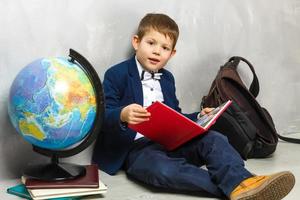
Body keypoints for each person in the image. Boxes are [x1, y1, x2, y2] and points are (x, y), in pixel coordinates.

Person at [92, 13, 295, 199]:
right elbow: (103, 116)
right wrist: (122, 115)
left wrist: (199, 116)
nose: (156, 51)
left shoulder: (168, 79)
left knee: (215, 138)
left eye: (164, 48)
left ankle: (242, 183)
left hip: (169, 142)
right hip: (137, 149)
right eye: (151, 43)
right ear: (136, 42)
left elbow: (174, 116)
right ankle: (239, 186)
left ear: (172, 54)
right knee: (160, 170)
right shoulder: (116, 74)